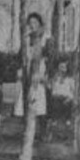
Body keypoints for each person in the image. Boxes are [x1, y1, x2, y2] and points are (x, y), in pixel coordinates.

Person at [21, 13, 56, 144]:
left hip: (42, 72)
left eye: (35, 23)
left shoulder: (47, 38)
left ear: (40, 24)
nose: (32, 25)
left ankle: (45, 131)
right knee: (30, 100)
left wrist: (47, 75)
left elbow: (52, 58)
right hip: (29, 72)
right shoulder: (27, 38)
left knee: (44, 102)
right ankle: (31, 129)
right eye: (30, 23)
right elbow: (23, 55)